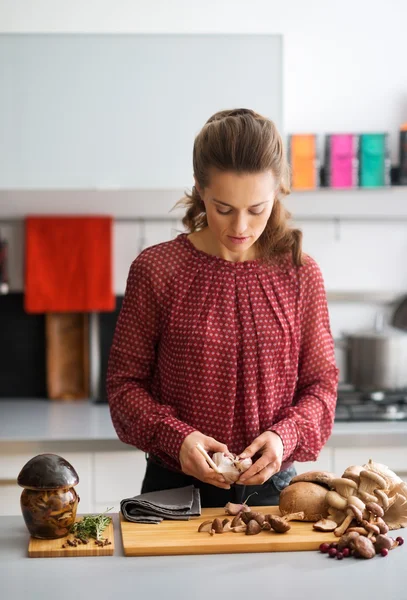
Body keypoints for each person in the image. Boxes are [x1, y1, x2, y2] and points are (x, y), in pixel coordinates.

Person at [107, 108, 339, 508]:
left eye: (257, 209)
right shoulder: (157, 270)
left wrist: (286, 436)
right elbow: (123, 386)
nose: (240, 228)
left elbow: (321, 385)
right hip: (174, 492)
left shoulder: (301, 274)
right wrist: (176, 438)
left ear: (278, 191)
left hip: (277, 495)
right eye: (224, 208)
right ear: (200, 189)